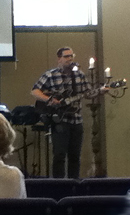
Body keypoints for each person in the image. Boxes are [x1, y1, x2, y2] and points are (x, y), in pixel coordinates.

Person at [31, 47, 107, 178]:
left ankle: (73, 185)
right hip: (59, 120)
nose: (70, 59)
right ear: (59, 59)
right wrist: (49, 99)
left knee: (75, 156)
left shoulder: (79, 75)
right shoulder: (50, 75)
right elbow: (35, 91)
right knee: (59, 155)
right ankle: (59, 185)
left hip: (76, 120)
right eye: (66, 56)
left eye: (71, 56)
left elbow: (88, 94)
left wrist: (100, 91)